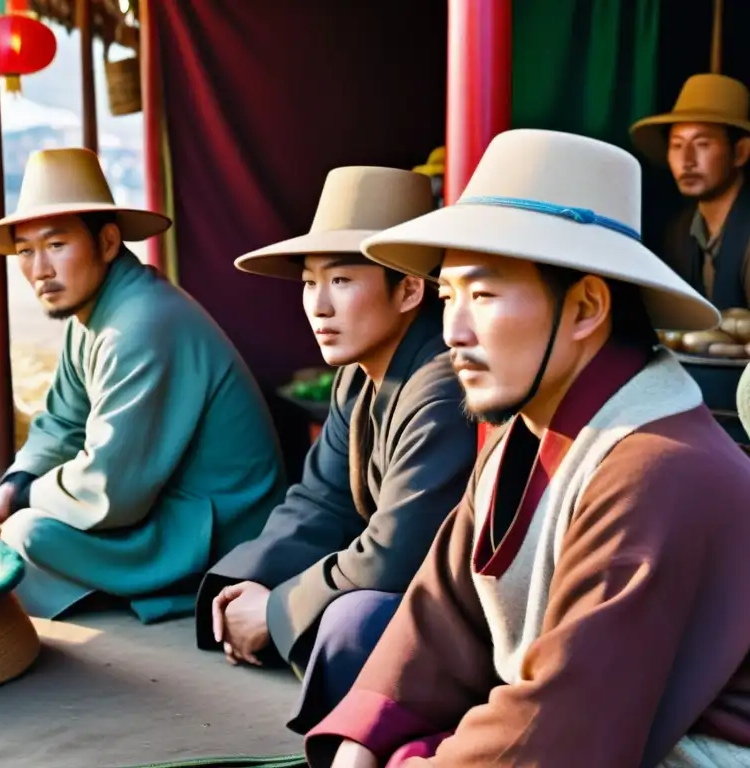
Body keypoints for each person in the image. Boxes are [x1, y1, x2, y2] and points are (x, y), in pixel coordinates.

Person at [305, 128, 750, 767]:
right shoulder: (527, 433)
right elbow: (439, 620)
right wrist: (362, 742)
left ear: (586, 307)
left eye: (482, 295)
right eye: (448, 296)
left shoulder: (659, 467)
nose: (452, 331)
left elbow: (563, 729)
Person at [194, 166, 475, 733]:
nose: (318, 305)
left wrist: (274, 613)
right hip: (392, 585)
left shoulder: (444, 386)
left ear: (410, 289)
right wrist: (243, 588)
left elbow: (394, 555)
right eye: (308, 282)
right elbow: (319, 504)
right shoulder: (358, 375)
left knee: (353, 622)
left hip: (460, 614)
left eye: (342, 281)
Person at [0, 147, 287, 624]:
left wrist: (30, 496)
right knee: (24, 528)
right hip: (161, 507)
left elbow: (109, 492)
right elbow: (62, 421)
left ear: (108, 242)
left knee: (29, 534)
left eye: (56, 245)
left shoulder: (141, 324)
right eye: (25, 251)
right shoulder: (95, 315)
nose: (40, 268)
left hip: (217, 527)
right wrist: (18, 479)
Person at [631, 73, 750, 311]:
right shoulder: (680, 231)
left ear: (740, 153)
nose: (687, 161)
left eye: (702, 144)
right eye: (677, 145)